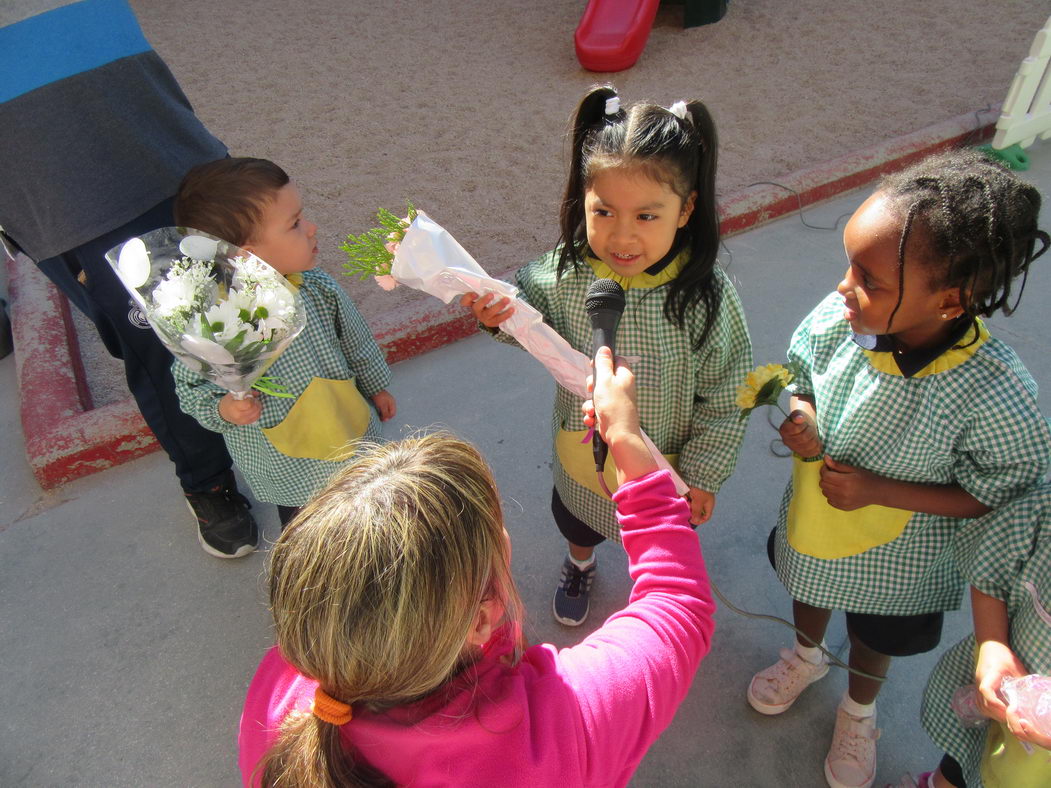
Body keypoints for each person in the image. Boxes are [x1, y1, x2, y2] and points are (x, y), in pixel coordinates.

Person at [238, 346, 716, 787]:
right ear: (480, 618)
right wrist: (629, 442)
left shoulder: (284, 697)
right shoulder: (559, 726)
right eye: (495, 529)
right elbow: (679, 608)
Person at [746, 150, 1051, 788]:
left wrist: (880, 489)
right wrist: (798, 412)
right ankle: (805, 656)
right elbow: (797, 373)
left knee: (874, 633)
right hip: (817, 526)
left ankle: (859, 711)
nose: (842, 287)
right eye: (849, 263)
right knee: (809, 589)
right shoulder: (839, 321)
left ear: (950, 300)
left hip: (904, 565)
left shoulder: (994, 392)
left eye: (869, 279)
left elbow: (1003, 495)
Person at [461, 85, 751, 626]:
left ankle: (653, 589)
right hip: (583, 448)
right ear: (583, 201)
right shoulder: (563, 271)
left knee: (654, 534)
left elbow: (728, 392)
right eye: (604, 211)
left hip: (664, 457)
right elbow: (527, 319)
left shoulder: (706, 295)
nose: (622, 236)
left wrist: (705, 473)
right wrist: (496, 316)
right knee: (579, 520)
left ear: (686, 209)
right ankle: (581, 563)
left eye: (647, 216)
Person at [0, 0, 257, 558]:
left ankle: (299, 448)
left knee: (245, 304)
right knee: (159, 345)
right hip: (58, 183)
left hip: (157, 131)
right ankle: (208, 482)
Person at [172, 158, 396, 534]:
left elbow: (355, 340)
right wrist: (224, 409)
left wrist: (376, 384)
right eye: (294, 224)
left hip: (346, 423)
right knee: (308, 533)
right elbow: (191, 388)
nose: (311, 228)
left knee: (372, 505)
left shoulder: (316, 286)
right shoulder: (216, 321)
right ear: (245, 255)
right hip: (283, 460)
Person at [905, 483, 1051, 788]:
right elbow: (990, 572)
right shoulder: (1045, 512)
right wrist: (993, 644)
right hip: (994, 702)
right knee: (963, 762)